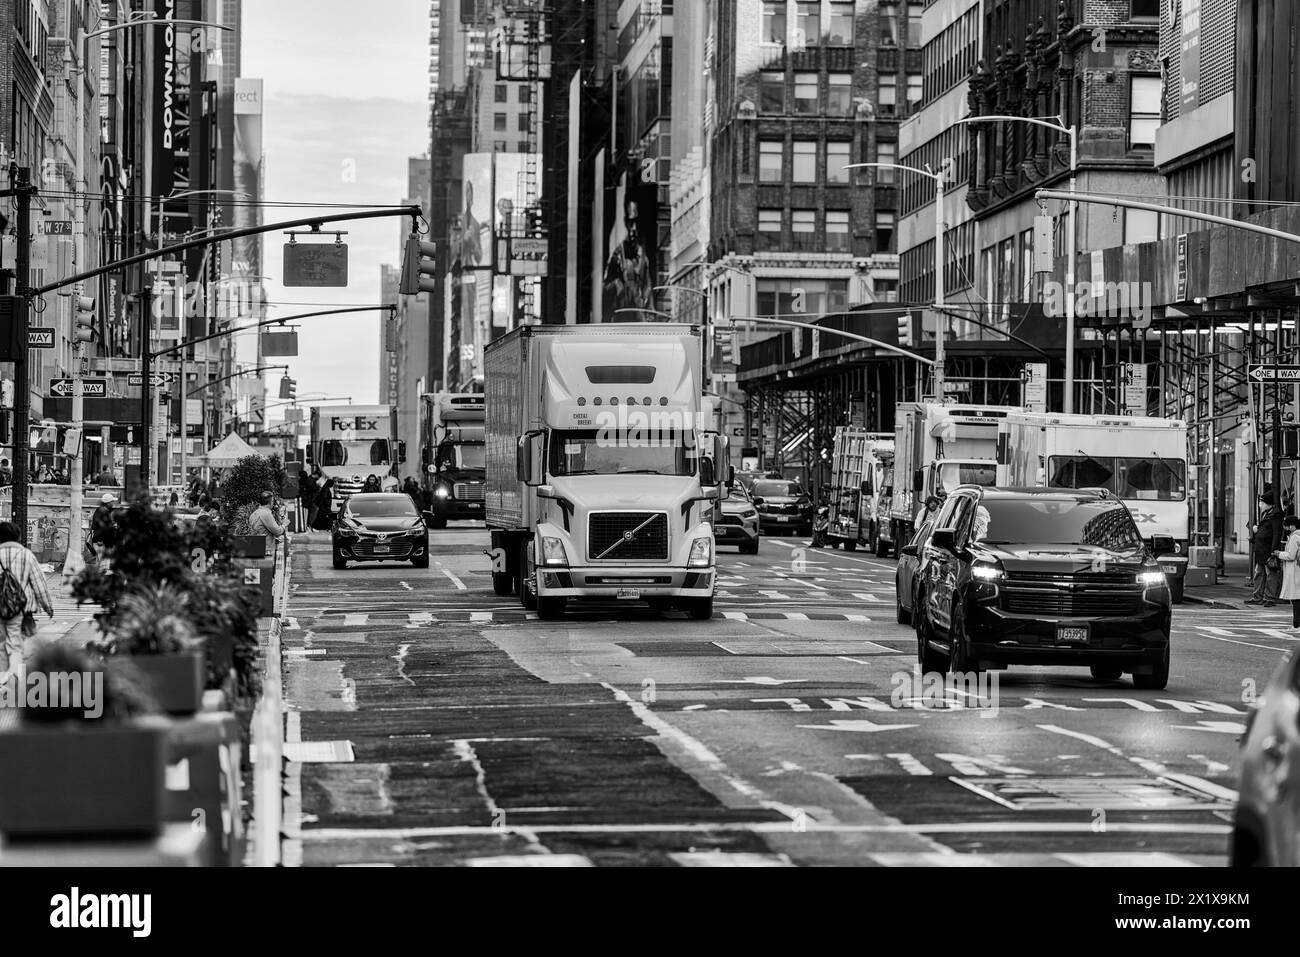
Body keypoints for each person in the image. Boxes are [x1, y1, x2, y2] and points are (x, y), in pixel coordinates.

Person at [0, 520, 54, 678]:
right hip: (19, 609)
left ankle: (2, 677)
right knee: (15, 643)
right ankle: (15, 678)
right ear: (17, 537)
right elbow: (39, 584)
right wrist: (48, 606)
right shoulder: (26, 555)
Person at [603, 197, 653, 314]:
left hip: (638, 315)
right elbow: (604, 286)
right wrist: (616, 285)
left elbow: (648, 288)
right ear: (626, 223)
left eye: (636, 223)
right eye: (631, 223)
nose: (634, 229)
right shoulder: (618, 255)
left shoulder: (643, 258)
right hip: (622, 314)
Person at [1248, 490, 1284, 607]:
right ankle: (1257, 596)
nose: (1260, 505)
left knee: (1270, 575)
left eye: (1262, 503)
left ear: (1269, 504)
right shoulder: (1266, 514)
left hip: (1268, 550)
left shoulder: (1275, 516)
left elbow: (1276, 534)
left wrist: (1273, 551)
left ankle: (1269, 598)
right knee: (1259, 573)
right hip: (1261, 549)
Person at [1275, 515, 1300, 628]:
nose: (1286, 529)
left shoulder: (1295, 537)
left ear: (1291, 526)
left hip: (1295, 569)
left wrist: (1279, 554)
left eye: (1286, 527)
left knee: (1296, 596)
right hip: (1296, 568)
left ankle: (1297, 621)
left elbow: (1291, 555)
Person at [89, 492, 120, 556]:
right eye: (112, 502)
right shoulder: (101, 511)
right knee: (104, 564)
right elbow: (99, 526)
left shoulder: (104, 511)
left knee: (103, 563)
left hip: (104, 542)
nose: (113, 503)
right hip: (101, 542)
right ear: (108, 503)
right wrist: (100, 540)